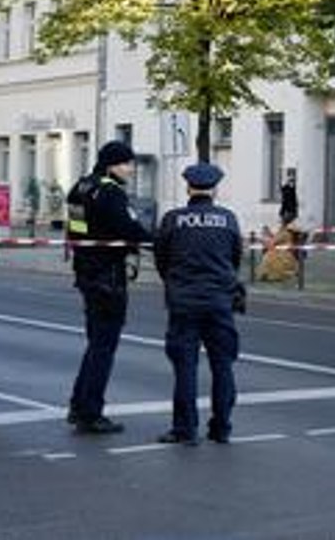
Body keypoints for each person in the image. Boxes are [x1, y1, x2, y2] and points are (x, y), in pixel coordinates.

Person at [66, 140, 153, 435]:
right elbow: (129, 229)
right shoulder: (111, 192)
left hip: (86, 272)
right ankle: (91, 412)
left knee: (95, 344)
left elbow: (75, 231)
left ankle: (79, 406)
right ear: (113, 165)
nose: (131, 169)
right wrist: (158, 242)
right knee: (104, 347)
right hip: (108, 277)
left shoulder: (81, 187)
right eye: (127, 164)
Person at [155, 162, 244, 445]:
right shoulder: (228, 219)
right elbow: (235, 259)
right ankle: (221, 428)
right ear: (215, 189)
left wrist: (175, 283)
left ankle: (185, 429)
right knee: (222, 365)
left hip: (183, 302)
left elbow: (161, 260)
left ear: (188, 187)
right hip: (220, 301)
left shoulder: (172, 219)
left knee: (185, 366)